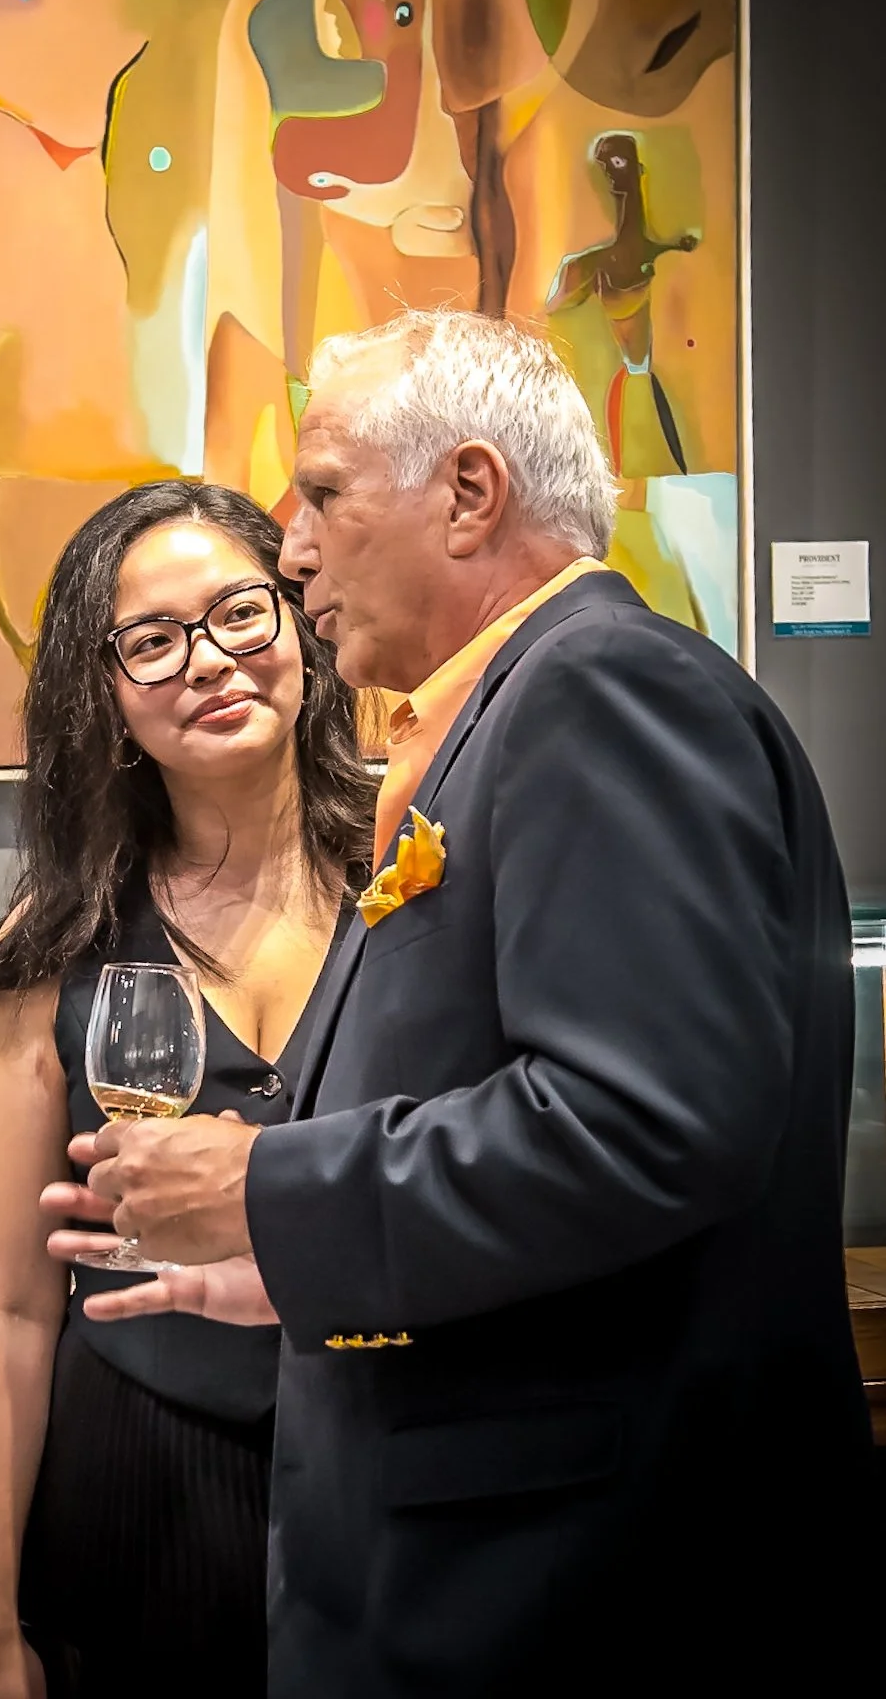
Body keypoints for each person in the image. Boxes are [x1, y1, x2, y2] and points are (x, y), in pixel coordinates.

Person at [47, 313, 874, 1696]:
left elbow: (638, 1126)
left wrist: (266, 1187)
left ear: (469, 493)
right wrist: (302, 1272)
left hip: (575, 1583)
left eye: (321, 494)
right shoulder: (510, 709)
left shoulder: (599, 687)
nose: (292, 550)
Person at [0, 481, 374, 1699]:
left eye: (241, 611)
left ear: (301, 623)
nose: (209, 659)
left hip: (385, 1462)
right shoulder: (53, 944)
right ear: (106, 694)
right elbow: (8, 1307)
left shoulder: (413, 878)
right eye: (152, 639)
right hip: (141, 1484)